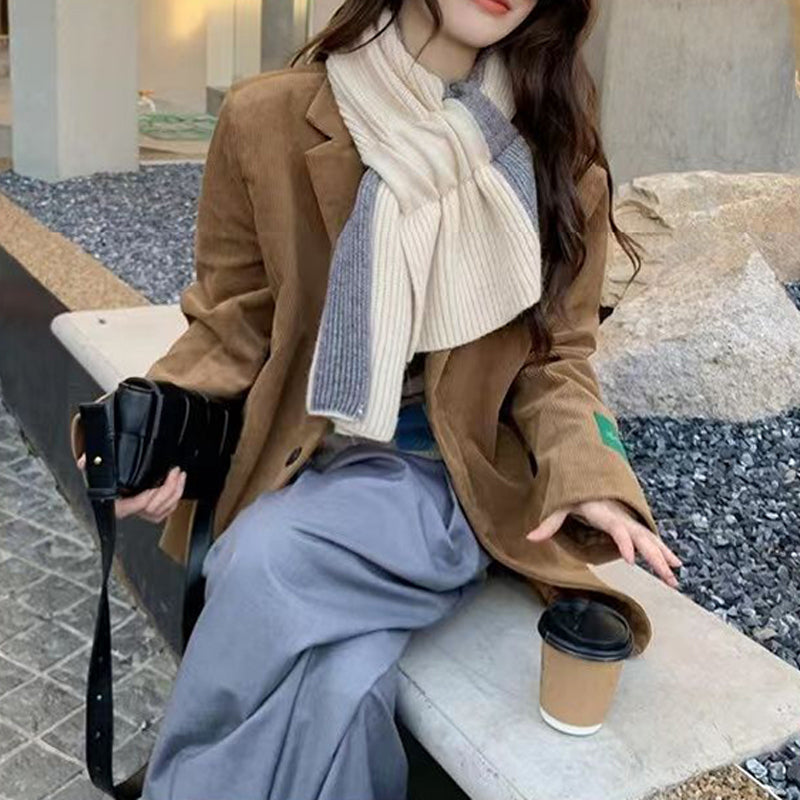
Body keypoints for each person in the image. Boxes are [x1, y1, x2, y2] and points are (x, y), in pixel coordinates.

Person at [73, 1, 682, 797]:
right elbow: (235, 320)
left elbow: (556, 358)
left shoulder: (555, 156)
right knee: (343, 689)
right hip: (300, 455)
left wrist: (589, 473)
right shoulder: (268, 120)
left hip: (441, 480)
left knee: (263, 558)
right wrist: (150, 422)